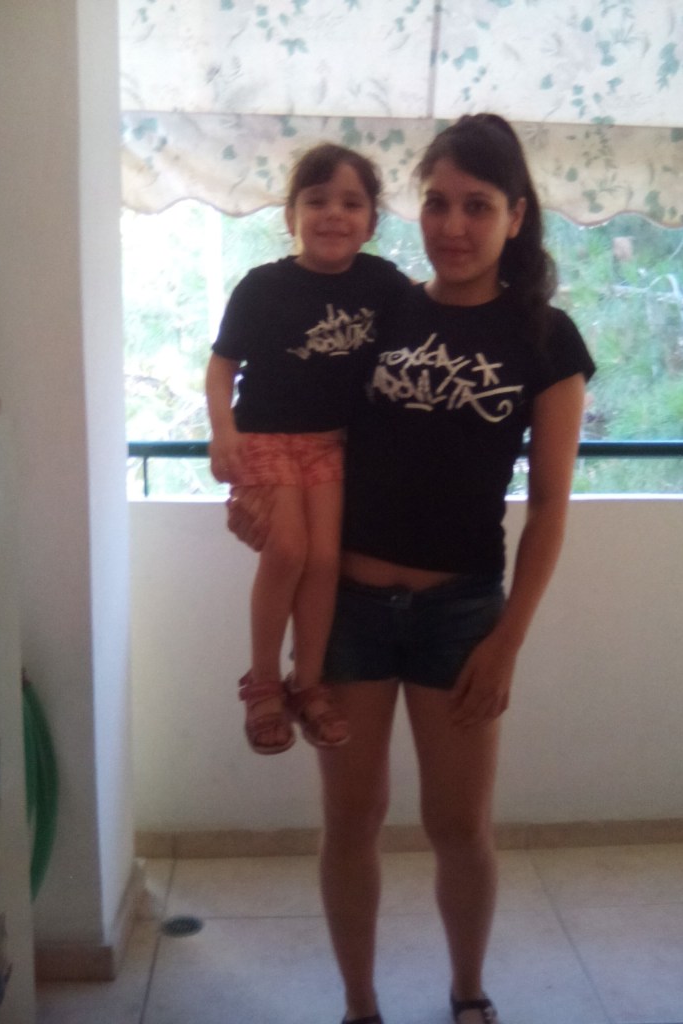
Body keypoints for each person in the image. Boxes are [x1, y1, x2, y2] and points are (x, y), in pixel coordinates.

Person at [229, 114, 595, 1024]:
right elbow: (297, 419)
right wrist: (259, 498)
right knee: (351, 822)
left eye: (477, 205)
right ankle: (360, 1005)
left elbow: (551, 507)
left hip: (460, 616)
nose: (453, 226)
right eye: (437, 203)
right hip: (347, 607)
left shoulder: (547, 339)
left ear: (516, 215)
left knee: (458, 826)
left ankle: (467, 992)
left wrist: (507, 642)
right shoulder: (379, 308)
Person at [206, 143, 410, 755]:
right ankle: (264, 685)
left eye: (351, 203)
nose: (334, 215)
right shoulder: (262, 287)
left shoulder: (381, 282)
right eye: (317, 201)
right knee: (290, 549)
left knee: (325, 562)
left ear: (371, 221)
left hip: (330, 442)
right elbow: (221, 367)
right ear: (291, 214)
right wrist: (223, 433)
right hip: (265, 437)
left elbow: (434, 316)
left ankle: (309, 683)